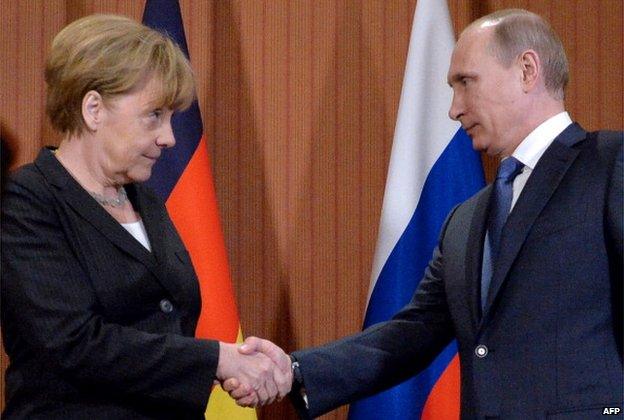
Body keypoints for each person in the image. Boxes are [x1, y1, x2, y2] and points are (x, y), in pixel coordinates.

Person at [224, 9, 623, 419]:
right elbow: (410, 335)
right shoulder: (467, 219)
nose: (454, 109)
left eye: (465, 83)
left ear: (526, 70)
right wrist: (292, 371)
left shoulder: (612, 166)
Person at [0, 14, 290, 419]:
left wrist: (239, 360)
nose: (169, 137)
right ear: (94, 109)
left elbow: (169, 325)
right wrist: (215, 360)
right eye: (155, 115)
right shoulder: (25, 201)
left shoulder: (147, 201)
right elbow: (71, 342)